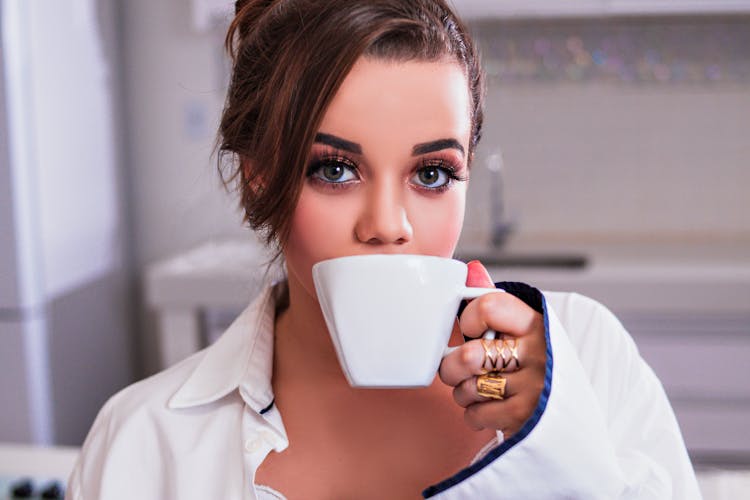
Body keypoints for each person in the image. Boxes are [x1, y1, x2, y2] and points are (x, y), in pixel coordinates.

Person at [67, 1, 701, 498]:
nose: (388, 225)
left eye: (432, 175)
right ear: (262, 172)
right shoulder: (141, 442)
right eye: (336, 170)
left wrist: (559, 443)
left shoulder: (587, 356)